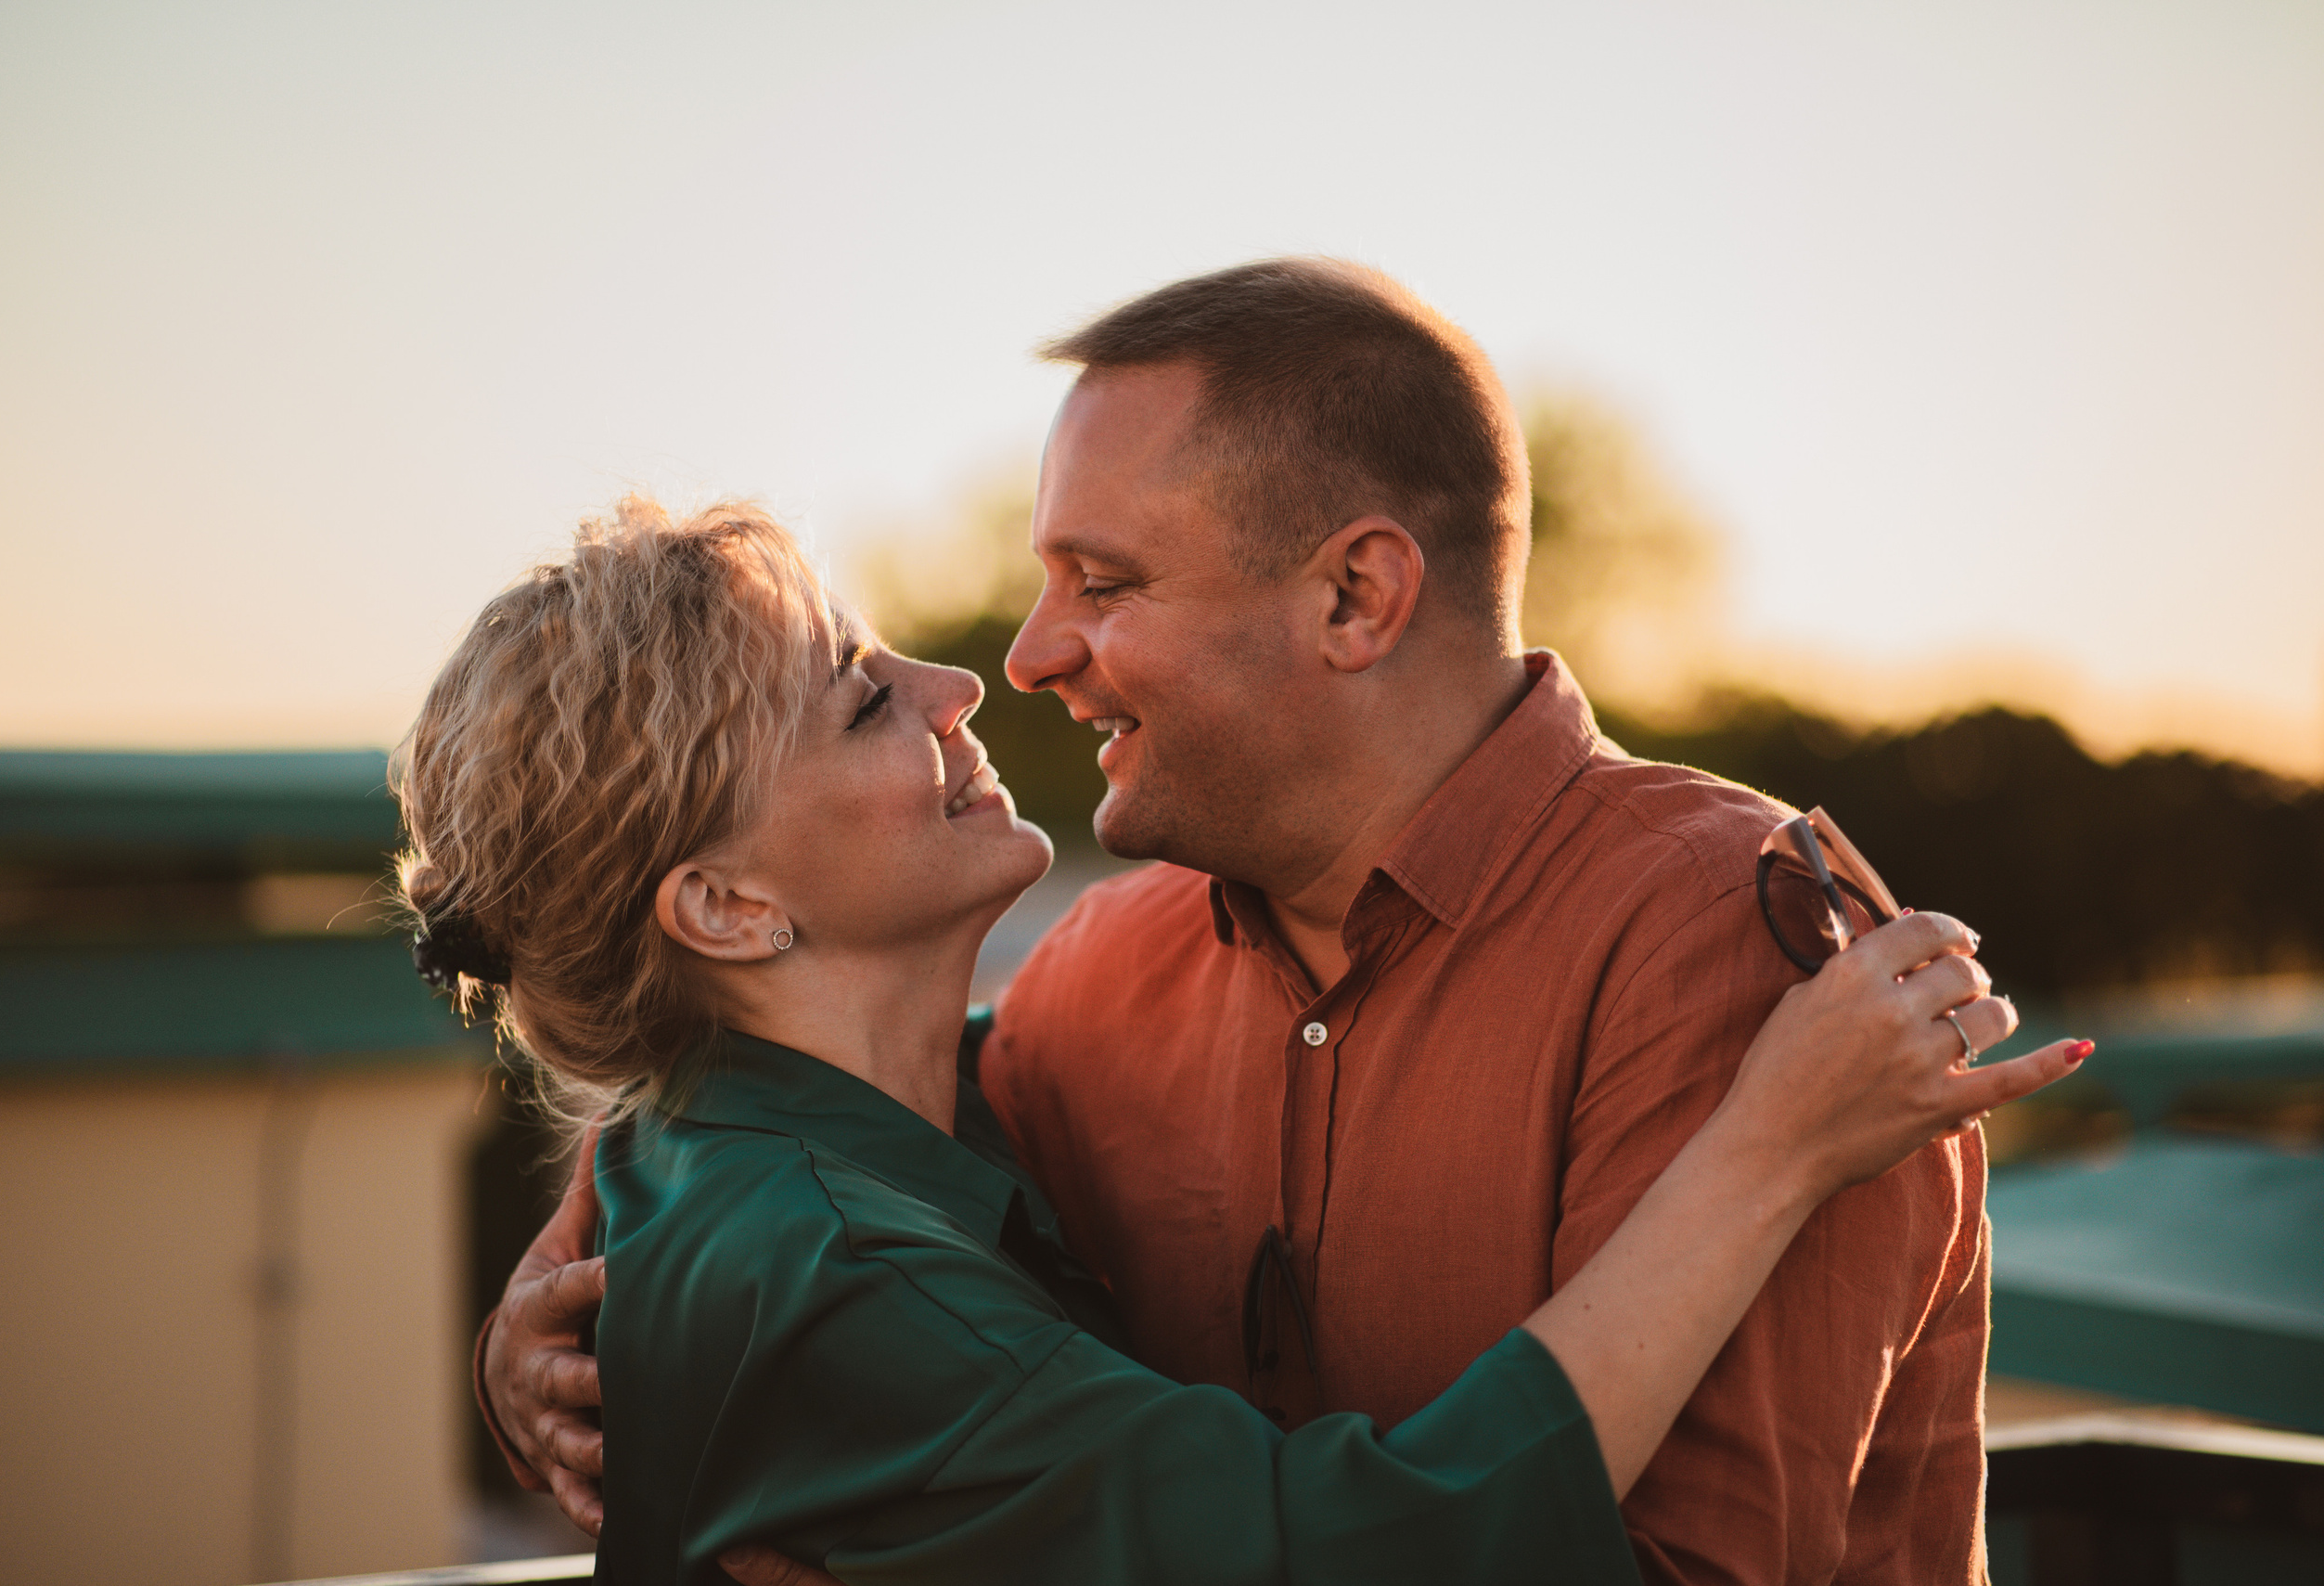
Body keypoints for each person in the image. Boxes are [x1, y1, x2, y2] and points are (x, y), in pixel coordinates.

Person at [483, 261, 2063, 1583]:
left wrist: (614, 1243)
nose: (1016, 661)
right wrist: (573, 1310)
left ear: (1353, 599)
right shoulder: (1088, 987)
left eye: (1101, 581)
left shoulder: (1735, 955)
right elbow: (809, 1166)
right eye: (862, 696)